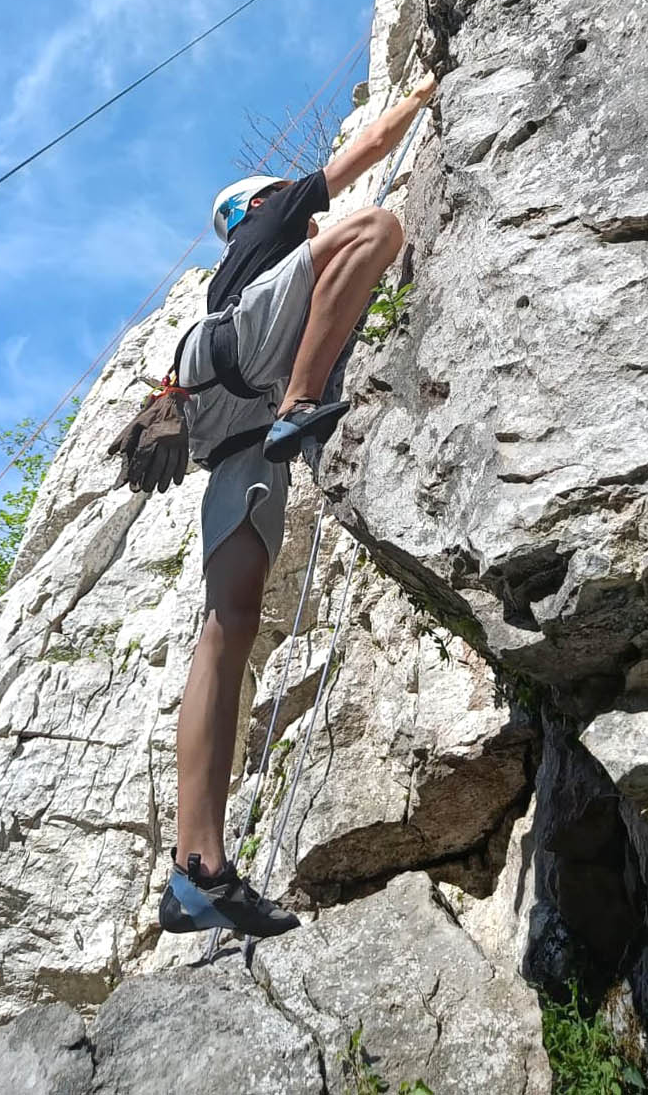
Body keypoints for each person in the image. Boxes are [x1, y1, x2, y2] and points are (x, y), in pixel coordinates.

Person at [155, 69, 438, 938]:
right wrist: (423, 90)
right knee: (378, 228)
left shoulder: (236, 264)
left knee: (230, 623)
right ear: (261, 202)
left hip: (225, 416)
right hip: (249, 369)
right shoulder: (272, 216)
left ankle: (197, 870)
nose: (305, 214)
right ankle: (302, 402)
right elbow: (370, 149)